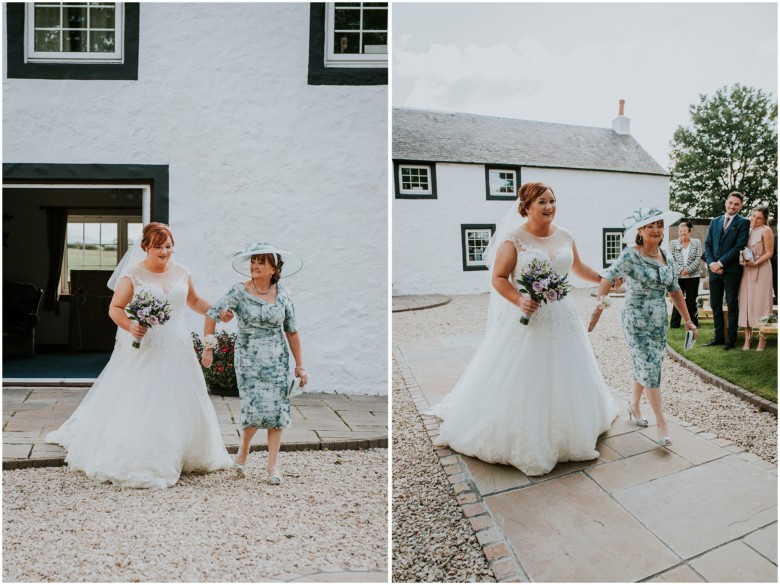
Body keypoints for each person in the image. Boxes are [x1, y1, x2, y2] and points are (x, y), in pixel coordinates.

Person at [428, 182, 617, 477]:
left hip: (563, 317)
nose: (549, 207)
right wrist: (519, 299)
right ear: (526, 207)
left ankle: (573, 428)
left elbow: (577, 268)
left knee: (569, 372)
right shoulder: (514, 239)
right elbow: (499, 278)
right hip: (530, 319)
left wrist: (604, 278)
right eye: (542, 201)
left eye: (552, 200)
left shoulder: (566, 235)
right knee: (528, 376)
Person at [46, 223, 234, 488]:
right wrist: (130, 325)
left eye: (169, 246)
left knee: (181, 398)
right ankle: (147, 457)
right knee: (147, 399)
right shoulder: (133, 275)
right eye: (159, 247)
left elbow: (195, 302)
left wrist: (216, 311)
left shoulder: (182, 272)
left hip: (178, 348)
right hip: (148, 348)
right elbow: (116, 308)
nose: (165, 252)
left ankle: (186, 451)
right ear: (146, 247)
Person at [590, 208, 698, 447]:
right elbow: (608, 277)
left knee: (649, 363)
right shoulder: (631, 255)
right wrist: (598, 309)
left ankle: (634, 405)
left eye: (659, 225)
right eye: (650, 226)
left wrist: (688, 320)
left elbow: (675, 290)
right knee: (649, 366)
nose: (656, 230)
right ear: (640, 230)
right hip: (635, 319)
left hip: (658, 320)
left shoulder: (666, 256)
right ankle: (662, 423)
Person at [203, 242, 306, 485]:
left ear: (274, 268)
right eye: (253, 261)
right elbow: (212, 314)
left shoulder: (284, 293)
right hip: (248, 359)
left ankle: (272, 466)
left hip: (277, 359)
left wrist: (300, 365)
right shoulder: (238, 291)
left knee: (277, 411)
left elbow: (292, 331)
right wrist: (209, 348)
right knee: (254, 408)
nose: (255, 266)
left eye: (261, 262)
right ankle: (244, 450)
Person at [703, 192, 750, 350]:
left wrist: (721, 263)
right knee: (715, 304)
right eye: (730, 203)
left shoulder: (744, 222)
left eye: (736, 204)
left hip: (731, 271)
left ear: (740, 206)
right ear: (726, 203)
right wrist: (712, 264)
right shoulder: (715, 221)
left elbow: (739, 247)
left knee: (731, 304)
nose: (732, 206)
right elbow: (708, 244)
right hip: (714, 270)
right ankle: (718, 337)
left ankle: (731, 339)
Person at [738, 205, 775, 351]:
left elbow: (769, 253)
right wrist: (744, 260)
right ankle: (747, 338)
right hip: (747, 270)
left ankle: (762, 338)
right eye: (753, 216)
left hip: (762, 269)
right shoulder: (747, 229)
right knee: (746, 302)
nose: (755, 220)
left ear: (764, 219)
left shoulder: (766, 230)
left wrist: (755, 263)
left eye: (759, 218)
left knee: (762, 303)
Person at [669, 219, 703, 328]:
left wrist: (688, 270)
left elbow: (698, 259)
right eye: (680, 231)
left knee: (691, 300)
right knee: (677, 299)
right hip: (678, 276)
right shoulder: (673, 243)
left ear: (689, 231)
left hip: (693, 275)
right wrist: (680, 270)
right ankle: (675, 323)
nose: (682, 233)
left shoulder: (696, 242)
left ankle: (692, 322)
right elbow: (671, 260)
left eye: (685, 231)